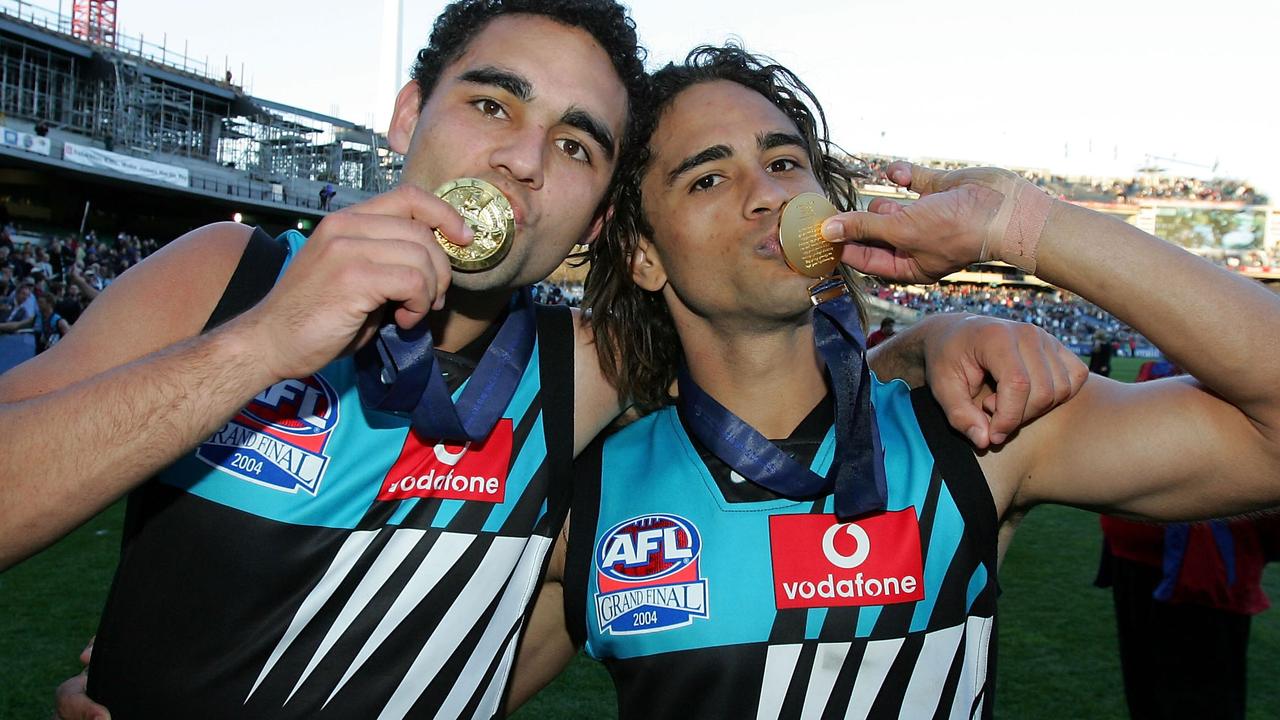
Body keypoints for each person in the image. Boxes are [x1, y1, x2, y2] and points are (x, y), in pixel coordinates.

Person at [22, 4, 1073, 718]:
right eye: (492, 106)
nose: (522, 162)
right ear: (406, 115)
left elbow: (769, 352)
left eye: (574, 145)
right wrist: (263, 343)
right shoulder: (226, 276)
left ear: (597, 212)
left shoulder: (590, 368)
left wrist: (920, 345)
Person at [511, 45, 1280, 718]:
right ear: (643, 254)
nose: (769, 194)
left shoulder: (977, 432)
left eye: (784, 163)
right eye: (708, 178)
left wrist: (1019, 226)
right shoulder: (585, 502)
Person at [1097, 357, 1280, 719]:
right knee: (1149, 693)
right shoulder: (1157, 371)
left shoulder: (1252, 372)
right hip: (1140, 558)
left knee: (1198, 698)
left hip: (1206, 576)